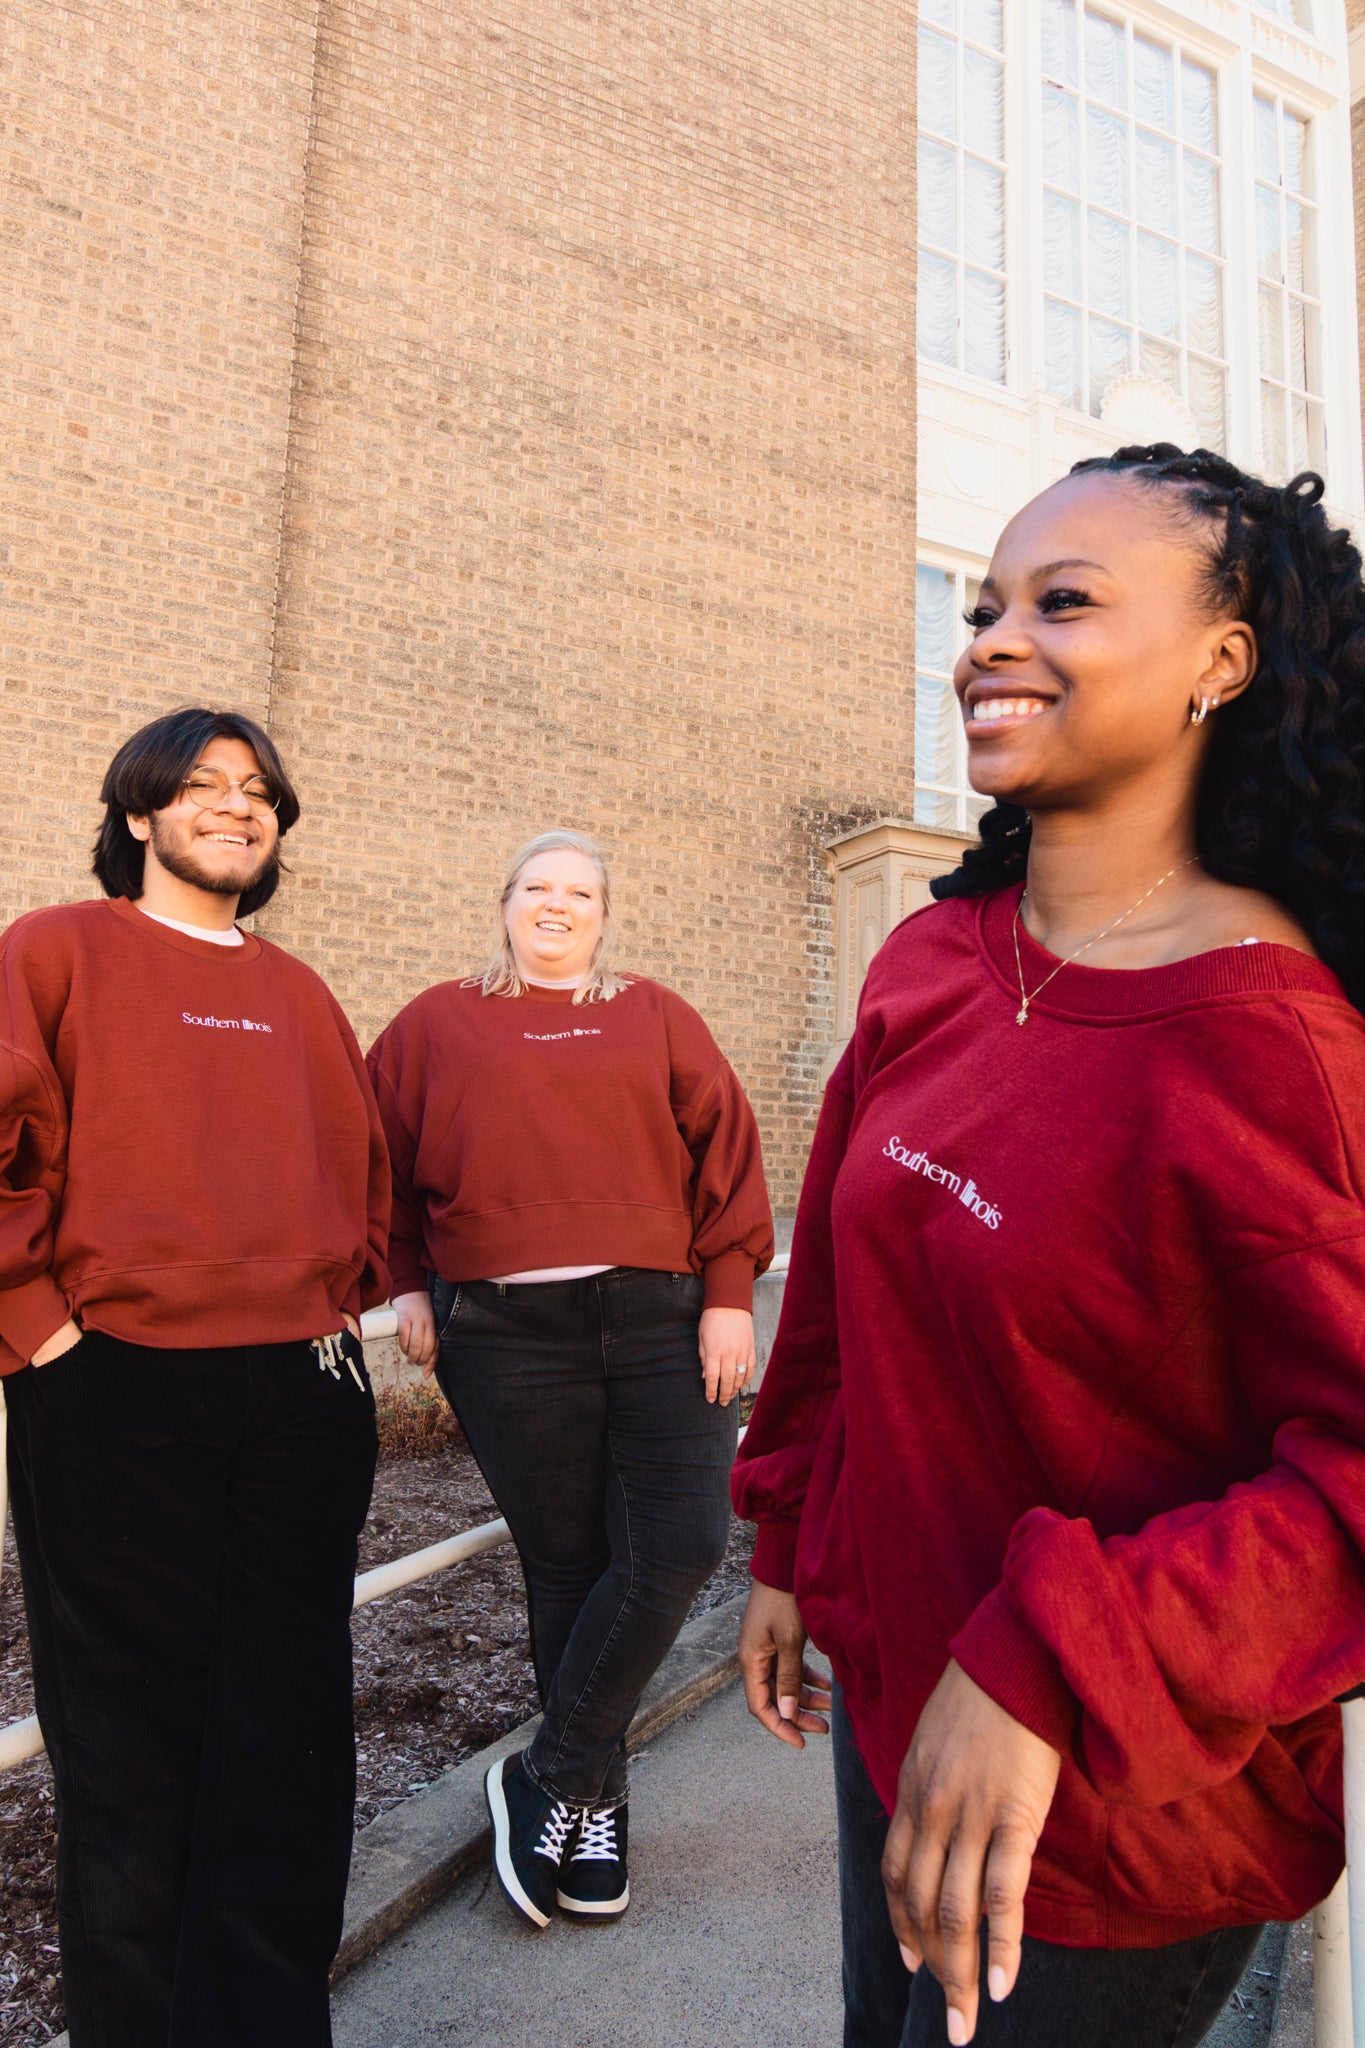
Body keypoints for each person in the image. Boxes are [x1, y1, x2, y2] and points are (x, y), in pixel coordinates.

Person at [733, 447, 1365, 2048]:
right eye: (983, 602)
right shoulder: (933, 961)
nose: (989, 641)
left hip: (1107, 1812)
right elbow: (835, 1305)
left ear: (1224, 661)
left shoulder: (1273, 1048)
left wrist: (1046, 1660)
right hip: (895, 1707)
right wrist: (791, 1542)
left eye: (1062, 603)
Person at [0, 707, 390, 2048]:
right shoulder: (57, 950)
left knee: (286, 1753)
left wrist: (339, 1307)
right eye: (206, 786)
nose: (239, 805)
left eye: (260, 791)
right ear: (139, 815)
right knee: (130, 1759)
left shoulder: (299, 992)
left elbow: (366, 1176)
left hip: (300, 1402)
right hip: (115, 1394)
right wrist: (36, 1323)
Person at [367, 828, 772, 1928]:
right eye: (538, 888)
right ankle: (594, 1812)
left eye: (579, 891)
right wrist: (405, 1284)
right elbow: (380, 1166)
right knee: (567, 1566)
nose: (557, 904)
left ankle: (544, 1775)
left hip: (659, 1317)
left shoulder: (656, 1014)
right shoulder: (435, 1022)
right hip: (501, 1329)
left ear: (605, 912)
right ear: (504, 904)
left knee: (681, 1542)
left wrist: (731, 1290)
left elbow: (726, 1151)